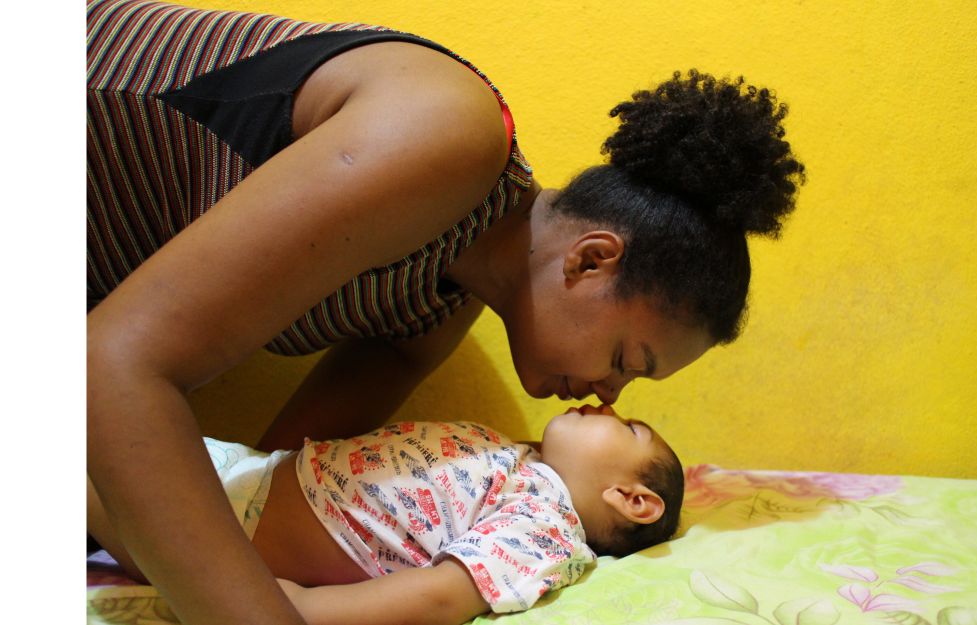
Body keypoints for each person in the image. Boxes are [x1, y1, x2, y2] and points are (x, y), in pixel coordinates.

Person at [85, 0, 805, 622]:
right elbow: (110, 363)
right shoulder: (450, 132)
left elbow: (270, 484)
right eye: (625, 360)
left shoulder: (434, 306)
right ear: (590, 260)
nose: (610, 395)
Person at [87, 405, 684, 624]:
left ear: (633, 499)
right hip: (252, 474)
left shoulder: (549, 528)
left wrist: (295, 610)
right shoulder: (526, 466)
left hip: (233, 527)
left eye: (628, 426)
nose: (605, 402)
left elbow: (443, 596)